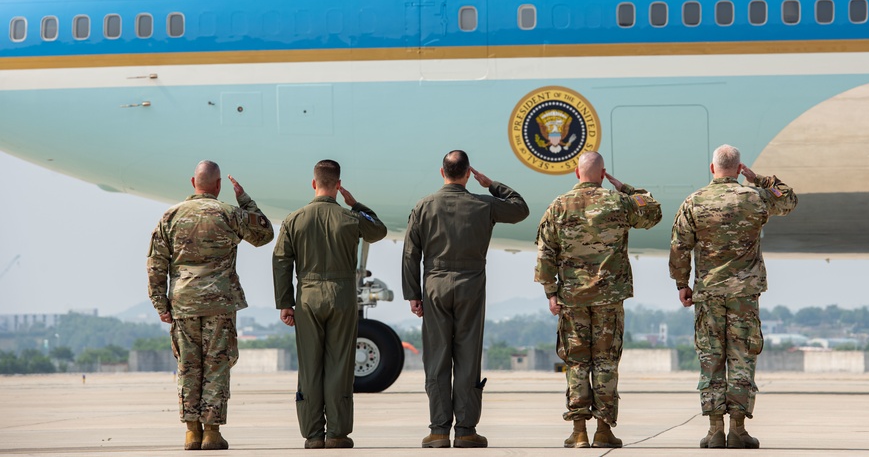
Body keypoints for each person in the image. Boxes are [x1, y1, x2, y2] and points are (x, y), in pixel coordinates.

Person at [669, 144, 798, 449]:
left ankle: (715, 431)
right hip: (744, 295)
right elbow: (789, 200)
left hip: (709, 295)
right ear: (740, 169)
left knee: (711, 359)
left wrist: (681, 283)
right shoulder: (754, 198)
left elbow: (679, 246)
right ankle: (738, 431)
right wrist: (761, 180)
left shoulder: (695, 202)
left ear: (711, 168)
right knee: (742, 359)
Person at [402, 150, 530, 449]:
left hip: (435, 284)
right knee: (467, 358)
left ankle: (437, 431)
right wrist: (492, 185)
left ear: (441, 171)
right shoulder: (483, 203)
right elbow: (520, 209)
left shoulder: (424, 205)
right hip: (471, 284)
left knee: (437, 357)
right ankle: (466, 431)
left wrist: (413, 295)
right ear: (468, 173)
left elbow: (411, 253)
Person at [535, 151, 662, 449]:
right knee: (606, 362)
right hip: (609, 297)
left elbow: (545, 253)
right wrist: (627, 189)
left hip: (572, 298)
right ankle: (604, 430)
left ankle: (579, 431)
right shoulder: (619, 202)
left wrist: (550, 292)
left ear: (576, 174)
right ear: (603, 174)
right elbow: (653, 211)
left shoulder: (559, 206)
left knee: (577, 361)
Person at [147, 160, 274, 451]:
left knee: (188, 367)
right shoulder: (230, 213)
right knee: (217, 365)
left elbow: (156, 263)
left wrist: (160, 303)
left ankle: (192, 432)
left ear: (194, 183)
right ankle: (212, 433)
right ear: (218, 186)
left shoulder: (171, 216)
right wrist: (245, 199)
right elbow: (265, 234)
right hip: (220, 303)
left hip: (183, 304)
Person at [272, 159, 388, 449]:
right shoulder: (351, 218)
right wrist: (357, 204)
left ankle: (313, 435)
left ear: (313, 184)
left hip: (308, 296)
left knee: (310, 366)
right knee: (339, 365)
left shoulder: (294, 219)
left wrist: (285, 302)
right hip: (342, 296)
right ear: (338, 185)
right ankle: (337, 433)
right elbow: (379, 231)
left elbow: (281, 261)